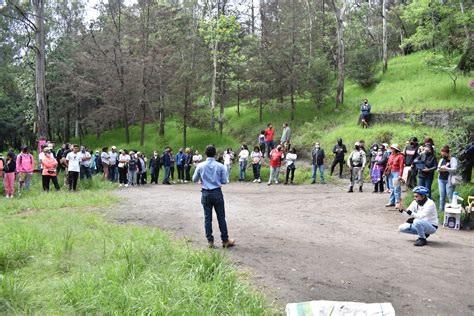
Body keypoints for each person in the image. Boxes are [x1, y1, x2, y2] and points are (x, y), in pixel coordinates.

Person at [192, 144, 235, 249]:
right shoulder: (220, 166)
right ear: (215, 153)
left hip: (205, 193)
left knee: (207, 218)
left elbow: (194, 179)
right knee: (221, 217)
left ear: (205, 154)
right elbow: (225, 181)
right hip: (217, 192)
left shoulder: (200, 166)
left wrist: (202, 180)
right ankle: (225, 240)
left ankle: (210, 241)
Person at [437, 145, 458, 211]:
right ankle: (441, 210)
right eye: (442, 154)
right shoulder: (441, 160)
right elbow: (438, 169)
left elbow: (454, 169)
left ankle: (451, 210)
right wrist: (439, 169)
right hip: (441, 179)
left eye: (444, 154)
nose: (443, 155)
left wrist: (446, 168)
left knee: (450, 197)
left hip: (449, 180)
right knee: (442, 197)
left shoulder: (453, 159)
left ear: (448, 153)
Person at [385, 144, 405, 208]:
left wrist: (400, 175)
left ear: (396, 149)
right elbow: (388, 164)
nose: (392, 149)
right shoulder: (391, 155)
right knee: (392, 188)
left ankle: (397, 202)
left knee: (397, 188)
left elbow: (401, 166)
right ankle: (391, 201)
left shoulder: (401, 156)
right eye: (391, 148)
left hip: (397, 172)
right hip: (390, 172)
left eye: (393, 148)